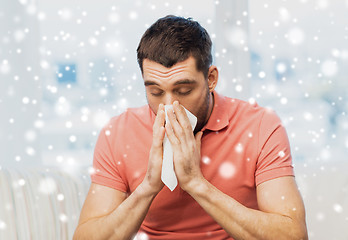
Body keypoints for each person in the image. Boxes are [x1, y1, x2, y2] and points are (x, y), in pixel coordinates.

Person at [73, 15, 308, 240]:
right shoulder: (118, 133)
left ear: (211, 79)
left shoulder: (260, 126)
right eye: (155, 92)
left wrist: (196, 184)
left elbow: (293, 236)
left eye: (183, 90)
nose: (169, 106)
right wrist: (148, 187)